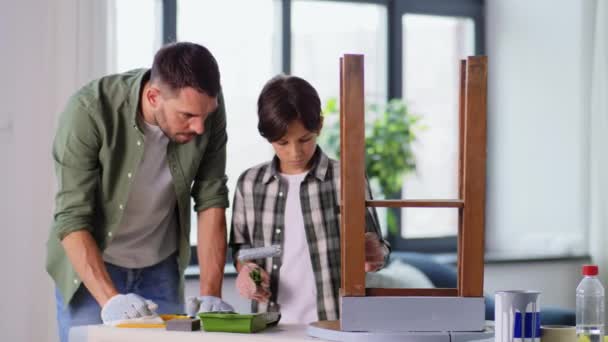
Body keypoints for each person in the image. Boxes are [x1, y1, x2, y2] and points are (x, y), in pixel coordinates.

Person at [47, 42, 233, 342]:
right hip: (93, 270)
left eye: (206, 115)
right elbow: (71, 218)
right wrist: (110, 299)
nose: (200, 128)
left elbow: (211, 199)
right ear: (153, 96)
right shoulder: (88, 112)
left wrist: (211, 295)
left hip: (160, 267)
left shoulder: (205, 108)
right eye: (187, 116)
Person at [229, 75, 390, 324]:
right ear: (267, 137)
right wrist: (246, 270)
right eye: (282, 143)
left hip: (336, 325)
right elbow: (243, 251)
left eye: (305, 139)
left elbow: (379, 250)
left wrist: (374, 253)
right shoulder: (249, 184)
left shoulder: (346, 178)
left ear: (320, 126)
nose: (295, 152)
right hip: (271, 326)